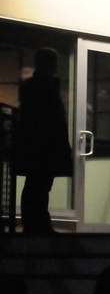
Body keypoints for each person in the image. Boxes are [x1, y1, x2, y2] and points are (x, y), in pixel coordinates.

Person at [14, 47, 73, 236]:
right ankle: (38, 225)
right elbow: (49, 118)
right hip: (44, 146)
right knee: (39, 185)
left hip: (38, 146)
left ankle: (35, 224)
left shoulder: (33, 85)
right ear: (49, 63)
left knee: (36, 185)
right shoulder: (44, 86)